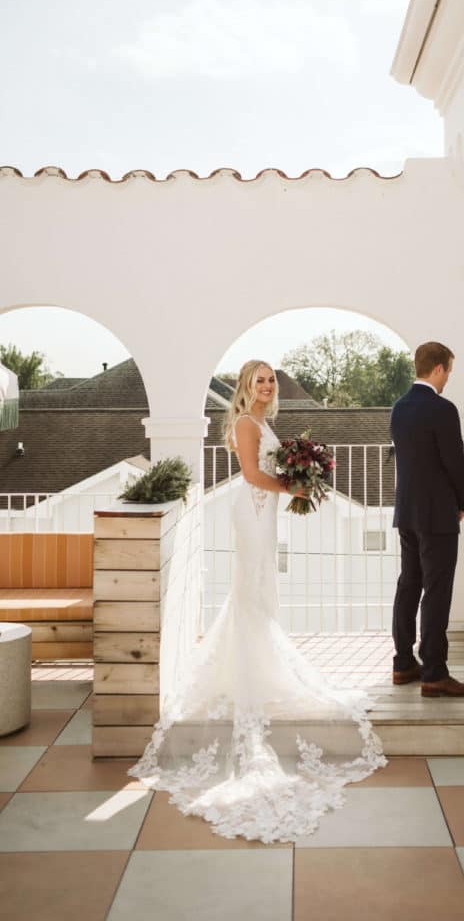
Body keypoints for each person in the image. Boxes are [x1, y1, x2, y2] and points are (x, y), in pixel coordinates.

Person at [128, 360, 386, 842]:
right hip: (252, 510)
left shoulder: (265, 422)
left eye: (270, 380)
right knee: (250, 586)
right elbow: (250, 475)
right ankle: (251, 669)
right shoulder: (247, 423)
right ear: (245, 387)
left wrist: (295, 479)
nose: (266, 386)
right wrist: (295, 485)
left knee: (261, 585)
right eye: (258, 380)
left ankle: (260, 663)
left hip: (265, 514)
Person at [390, 341, 464, 698]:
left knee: (409, 584)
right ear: (439, 368)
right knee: (437, 591)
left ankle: (402, 663)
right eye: (448, 373)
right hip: (438, 513)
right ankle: (434, 673)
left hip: (407, 512)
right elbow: (454, 461)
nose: (447, 381)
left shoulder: (399, 408)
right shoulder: (442, 409)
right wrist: (463, 501)